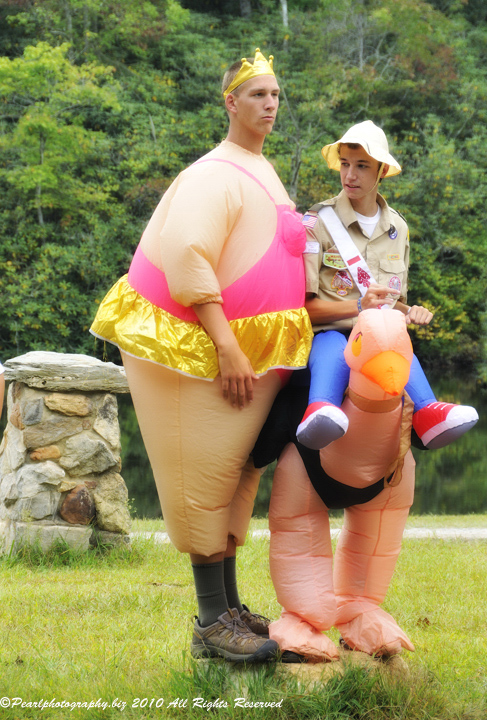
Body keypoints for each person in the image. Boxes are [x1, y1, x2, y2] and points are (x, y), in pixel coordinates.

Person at [90, 49, 312, 663]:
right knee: (204, 477)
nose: (270, 104)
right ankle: (212, 622)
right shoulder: (213, 174)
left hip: (248, 357)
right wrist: (226, 343)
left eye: (276, 94)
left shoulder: (260, 168)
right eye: (258, 94)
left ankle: (230, 608)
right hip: (197, 355)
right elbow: (188, 251)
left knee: (234, 478)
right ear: (230, 102)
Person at [296, 121, 478, 450]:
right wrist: (358, 306)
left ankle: (427, 412)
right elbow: (303, 309)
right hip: (328, 335)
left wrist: (412, 311)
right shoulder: (317, 221)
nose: (349, 175)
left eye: (362, 166)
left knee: (395, 341)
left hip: (382, 338)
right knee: (333, 344)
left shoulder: (399, 227)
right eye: (345, 164)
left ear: (381, 171)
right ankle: (320, 409)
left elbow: (391, 305)